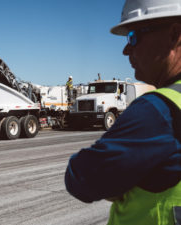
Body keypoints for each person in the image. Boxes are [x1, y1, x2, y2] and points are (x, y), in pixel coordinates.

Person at [65, 0, 181, 224]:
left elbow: (81, 177)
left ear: (174, 34)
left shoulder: (157, 111)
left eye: (134, 36)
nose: (126, 49)